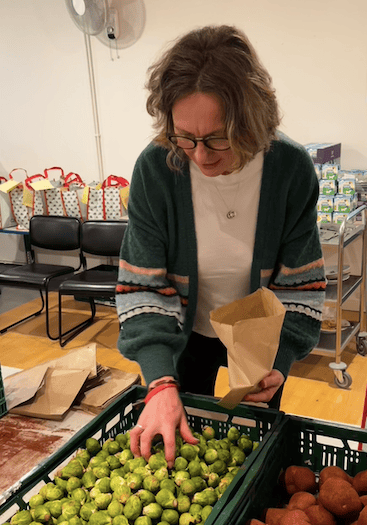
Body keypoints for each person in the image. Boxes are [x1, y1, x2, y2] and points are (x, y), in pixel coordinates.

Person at [115, 24, 326, 467]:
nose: (199, 155)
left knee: (249, 452)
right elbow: (143, 288)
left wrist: (280, 358)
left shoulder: (290, 170)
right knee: (181, 444)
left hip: (258, 339)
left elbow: (298, 286)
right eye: (184, 137)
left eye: (216, 138)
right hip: (182, 333)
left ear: (252, 121)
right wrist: (158, 383)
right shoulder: (157, 170)